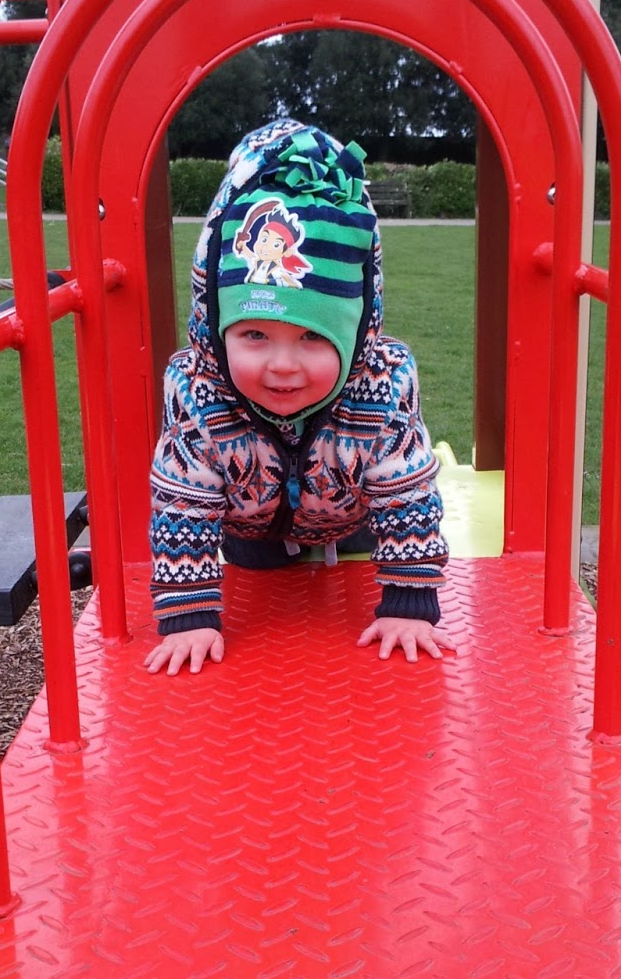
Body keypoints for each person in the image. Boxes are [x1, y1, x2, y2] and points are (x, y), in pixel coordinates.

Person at [145, 120, 451, 676]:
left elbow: (408, 491)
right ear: (217, 332)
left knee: (368, 544)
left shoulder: (379, 387)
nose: (283, 365)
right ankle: (264, 550)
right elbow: (183, 503)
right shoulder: (198, 394)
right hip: (247, 524)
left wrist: (410, 603)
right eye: (255, 335)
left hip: (349, 514)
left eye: (313, 338)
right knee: (256, 571)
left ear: (355, 333)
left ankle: (353, 544)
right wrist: (189, 614)